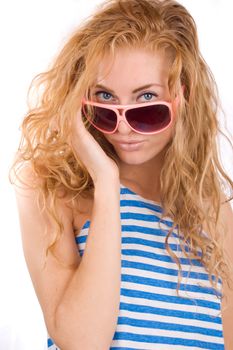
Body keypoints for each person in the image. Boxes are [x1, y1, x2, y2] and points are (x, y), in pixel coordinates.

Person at [10, 0, 233, 349]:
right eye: (105, 100)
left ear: (181, 98)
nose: (125, 128)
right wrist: (106, 182)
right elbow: (82, 342)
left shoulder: (212, 208)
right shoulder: (47, 187)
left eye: (147, 101)